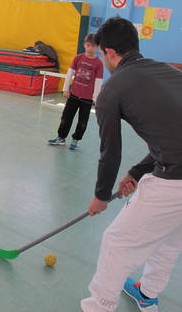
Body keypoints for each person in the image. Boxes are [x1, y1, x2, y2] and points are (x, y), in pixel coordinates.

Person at [81, 17, 182, 312]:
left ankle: (99, 307)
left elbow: (109, 152)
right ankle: (147, 294)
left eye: (102, 53)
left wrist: (101, 196)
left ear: (110, 52)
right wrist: (138, 172)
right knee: (171, 237)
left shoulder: (112, 91)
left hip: (175, 180)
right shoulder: (168, 71)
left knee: (117, 242)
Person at [48, 33, 103, 150]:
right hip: (74, 95)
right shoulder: (78, 58)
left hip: (87, 99)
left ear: (97, 47)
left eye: (93, 46)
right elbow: (69, 74)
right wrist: (66, 89)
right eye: (88, 45)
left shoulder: (99, 64)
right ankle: (61, 137)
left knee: (82, 121)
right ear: (84, 45)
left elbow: (98, 82)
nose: (90, 48)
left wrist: (95, 97)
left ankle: (75, 139)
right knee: (66, 117)